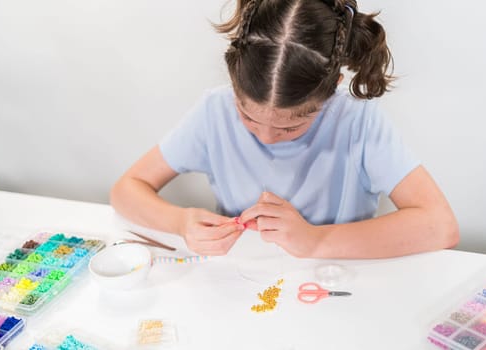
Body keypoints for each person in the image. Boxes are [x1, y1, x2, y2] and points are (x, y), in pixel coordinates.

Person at [110, 0, 459, 258]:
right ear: (233, 81)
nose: (264, 137)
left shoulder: (357, 121)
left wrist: (315, 241)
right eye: (247, 116)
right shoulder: (213, 111)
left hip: (337, 286)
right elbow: (127, 190)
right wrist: (181, 222)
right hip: (237, 286)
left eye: (291, 126)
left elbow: (441, 226)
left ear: (333, 89)